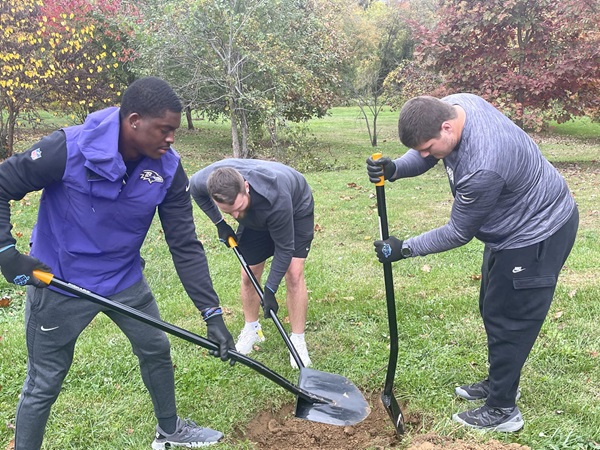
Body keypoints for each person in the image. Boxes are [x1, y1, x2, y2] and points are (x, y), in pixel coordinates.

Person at [0, 77, 236, 449]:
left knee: (155, 348)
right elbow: (3, 183)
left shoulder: (168, 170)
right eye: (165, 129)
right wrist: (5, 251)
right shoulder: (67, 148)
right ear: (134, 121)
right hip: (59, 281)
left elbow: (185, 245)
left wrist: (212, 313)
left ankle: (169, 431)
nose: (172, 138)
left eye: (174, 130)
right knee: (44, 381)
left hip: (123, 280)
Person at [366, 94, 578, 432]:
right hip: (511, 227)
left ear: (447, 127)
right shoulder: (457, 104)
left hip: (538, 233)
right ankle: (501, 381)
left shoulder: (483, 166)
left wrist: (403, 248)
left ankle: (503, 409)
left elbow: (458, 231)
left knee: (509, 317)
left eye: (428, 147)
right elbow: (425, 155)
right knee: (492, 305)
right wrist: (396, 168)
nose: (425, 155)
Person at [189, 159, 314, 369]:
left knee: (293, 273)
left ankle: (297, 340)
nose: (236, 216)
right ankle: (252, 329)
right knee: (248, 274)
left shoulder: (276, 196)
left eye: (238, 208)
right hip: (257, 214)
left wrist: (270, 289)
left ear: (246, 186)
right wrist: (220, 223)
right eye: (230, 212)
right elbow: (194, 189)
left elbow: (284, 249)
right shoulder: (206, 181)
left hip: (295, 207)